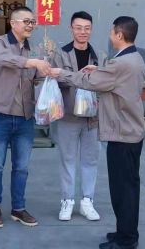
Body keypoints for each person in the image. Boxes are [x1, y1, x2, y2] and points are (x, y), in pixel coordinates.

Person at [51, 16, 145, 249]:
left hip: (122, 133)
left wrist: (60, 73)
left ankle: (126, 240)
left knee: (123, 190)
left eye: (112, 31)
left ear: (119, 35)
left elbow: (90, 82)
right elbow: (108, 77)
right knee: (128, 186)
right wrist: (99, 70)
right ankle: (124, 232)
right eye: (78, 27)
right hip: (129, 131)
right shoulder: (133, 58)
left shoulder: (119, 63)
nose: (110, 35)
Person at [0, 6, 51, 228]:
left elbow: (36, 77)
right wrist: (33, 62)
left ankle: (18, 208)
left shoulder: (35, 49)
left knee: (21, 167)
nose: (30, 25)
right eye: (26, 21)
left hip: (25, 117)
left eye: (33, 22)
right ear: (13, 23)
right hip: (0, 115)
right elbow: (4, 59)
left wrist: (48, 72)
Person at [51, 11, 106, 221]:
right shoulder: (61, 54)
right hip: (68, 115)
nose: (83, 32)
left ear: (91, 30)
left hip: (93, 118)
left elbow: (106, 81)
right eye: (78, 28)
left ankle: (87, 201)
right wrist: (84, 77)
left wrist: (93, 74)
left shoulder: (99, 56)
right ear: (71, 29)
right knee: (67, 159)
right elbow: (56, 78)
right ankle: (67, 201)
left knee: (91, 160)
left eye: (87, 28)